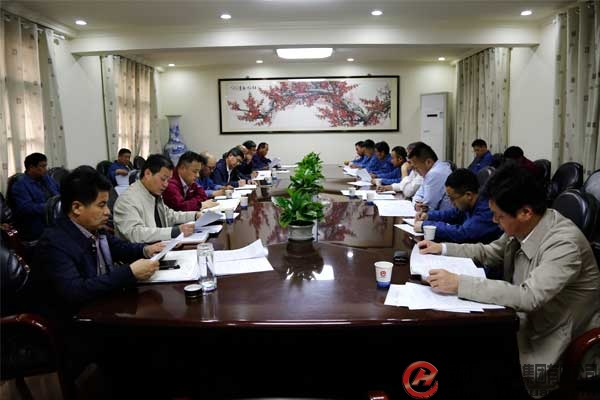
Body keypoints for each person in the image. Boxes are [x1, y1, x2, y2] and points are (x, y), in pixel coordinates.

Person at [419, 164, 600, 397]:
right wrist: (442, 248)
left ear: (525, 212)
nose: (494, 221)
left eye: (499, 216)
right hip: (522, 323)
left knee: (466, 365)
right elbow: (490, 252)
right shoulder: (527, 225)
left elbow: (529, 296)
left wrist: (459, 283)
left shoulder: (564, 244)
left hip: (554, 345)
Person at [35, 166, 163, 313]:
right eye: (101, 205)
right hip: (74, 318)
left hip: (104, 305)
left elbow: (118, 247)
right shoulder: (53, 244)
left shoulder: (93, 228)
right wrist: (129, 272)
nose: (108, 212)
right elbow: (75, 291)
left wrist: (146, 249)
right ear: (76, 207)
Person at [113, 154, 201, 243]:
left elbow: (169, 216)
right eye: (163, 179)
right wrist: (174, 232)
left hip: (161, 246)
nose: (166, 184)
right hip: (143, 251)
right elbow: (135, 233)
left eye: (168, 180)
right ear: (148, 173)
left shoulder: (153, 194)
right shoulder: (127, 200)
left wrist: (195, 215)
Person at [414, 168, 502, 244]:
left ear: (468, 195)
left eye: (453, 198)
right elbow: (453, 213)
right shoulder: (469, 204)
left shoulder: (487, 209)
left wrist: (426, 225)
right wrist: (428, 216)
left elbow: (463, 233)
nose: (451, 203)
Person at [10, 152, 59, 241]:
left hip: (55, 219)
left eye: (45, 166)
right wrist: (51, 207)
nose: (46, 169)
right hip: (37, 226)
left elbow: (59, 192)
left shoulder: (47, 178)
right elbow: (26, 208)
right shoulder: (20, 185)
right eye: (42, 166)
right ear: (31, 168)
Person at [409, 142, 453, 212]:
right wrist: (416, 204)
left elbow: (427, 207)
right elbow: (418, 194)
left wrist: (418, 205)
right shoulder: (436, 168)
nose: (416, 171)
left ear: (428, 162)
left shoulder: (435, 173)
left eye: (417, 168)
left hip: (443, 217)